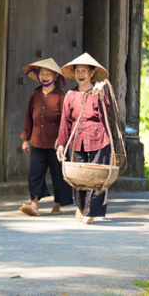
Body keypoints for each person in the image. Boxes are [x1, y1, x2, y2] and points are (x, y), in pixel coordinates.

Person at [56, 53, 112, 224]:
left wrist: (101, 97)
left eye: (84, 71)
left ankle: (90, 213)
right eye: (78, 71)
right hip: (76, 139)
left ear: (92, 73)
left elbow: (107, 116)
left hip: (98, 139)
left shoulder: (99, 93)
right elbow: (64, 121)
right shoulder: (70, 95)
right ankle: (81, 207)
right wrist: (60, 145)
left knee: (95, 177)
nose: (80, 74)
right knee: (78, 177)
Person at [18, 58, 74, 216]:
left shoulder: (61, 96)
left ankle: (57, 204)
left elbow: (66, 119)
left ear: (55, 76)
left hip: (56, 143)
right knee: (35, 173)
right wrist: (25, 140)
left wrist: (62, 140)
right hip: (37, 140)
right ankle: (34, 205)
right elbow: (29, 117)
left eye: (48, 74)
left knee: (58, 174)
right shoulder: (35, 94)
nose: (44, 76)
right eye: (42, 73)